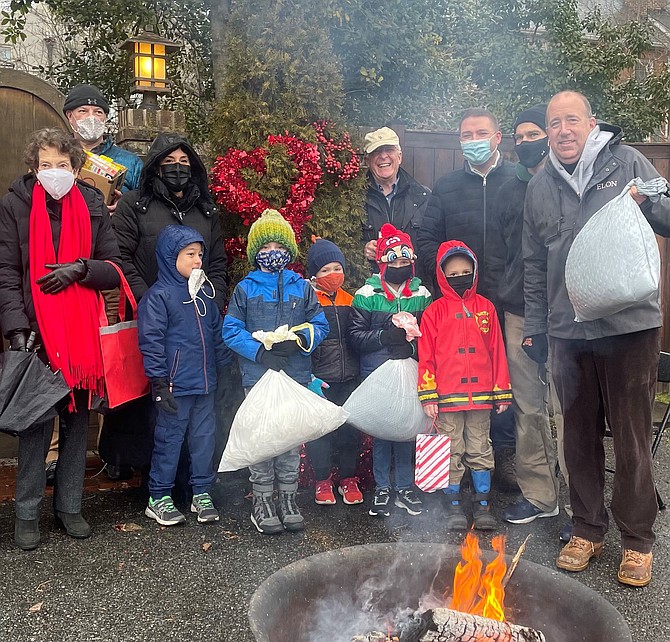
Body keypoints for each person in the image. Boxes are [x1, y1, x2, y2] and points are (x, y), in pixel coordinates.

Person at [523, 90, 670, 587]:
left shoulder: (628, 162)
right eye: (554, 122)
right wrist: (538, 330)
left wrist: (650, 199)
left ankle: (637, 541)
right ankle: (588, 528)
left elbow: (669, 217)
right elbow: (534, 264)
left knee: (631, 437)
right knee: (578, 437)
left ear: (591, 123)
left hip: (630, 327)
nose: (563, 129)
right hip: (568, 331)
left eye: (572, 120)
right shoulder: (540, 186)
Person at [0, 127, 121, 550]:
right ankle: (27, 510)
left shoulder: (91, 204)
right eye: (46, 165)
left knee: (76, 422)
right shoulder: (15, 204)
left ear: (75, 166)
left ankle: (69, 506)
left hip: (81, 335)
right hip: (35, 331)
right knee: (36, 423)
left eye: (63, 165)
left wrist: (80, 269)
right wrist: (16, 328)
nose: (55, 172)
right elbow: (6, 272)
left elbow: (113, 265)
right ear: (34, 168)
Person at [417, 107, 518, 491]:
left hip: (507, 303)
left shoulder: (517, 180)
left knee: (504, 380)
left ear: (497, 137)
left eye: (481, 132)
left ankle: (504, 459)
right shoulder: (446, 187)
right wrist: (447, 282)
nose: (473, 140)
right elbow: (426, 238)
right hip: (458, 303)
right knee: (457, 375)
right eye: (466, 134)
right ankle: (452, 474)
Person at [223, 209, 329, 535]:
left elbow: (319, 324)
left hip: (294, 374)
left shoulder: (303, 287)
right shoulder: (246, 288)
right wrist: (259, 351)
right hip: (258, 376)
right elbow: (230, 330)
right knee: (261, 437)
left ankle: (288, 496)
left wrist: (298, 341)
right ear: (256, 253)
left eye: (278, 246)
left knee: (288, 439)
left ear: (289, 250)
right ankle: (263, 499)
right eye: (266, 247)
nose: (273, 253)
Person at [490, 105, 564, 527]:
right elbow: (500, 253)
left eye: (532, 133)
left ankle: (579, 505)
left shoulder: (566, 183)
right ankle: (539, 495)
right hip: (518, 311)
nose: (525, 142)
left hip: (566, 313)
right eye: (519, 136)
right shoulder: (507, 189)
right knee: (527, 407)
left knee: (567, 408)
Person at [138, 225, 231, 526]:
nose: (197, 261)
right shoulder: (159, 297)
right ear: (169, 256)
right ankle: (159, 496)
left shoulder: (204, 295)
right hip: (175, 386)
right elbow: (151, 341)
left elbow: (216, 336)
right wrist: (159, 382)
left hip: (205, 384)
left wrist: (224, 370)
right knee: (169, 440)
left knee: (204, 439)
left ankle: (201, 491)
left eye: (200, 254)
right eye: (189, 254)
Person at [417, 241, 512, 530]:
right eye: (453, 272)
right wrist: (428, 394)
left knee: (480, 447)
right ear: (442, 275)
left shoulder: (486, 308)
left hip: (482, 396)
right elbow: (427, 357)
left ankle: (482, 504)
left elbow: (497, 349)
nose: (460, 276)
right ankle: (453, 504)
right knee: (451, 449)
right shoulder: (434, 311)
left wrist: (501, 389)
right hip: (447, 398)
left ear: (475, 271)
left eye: (466, 271)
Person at [348, 223, 432, 518]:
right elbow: (355, 337)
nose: (399, 265)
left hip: (410, 372)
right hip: (378, 373)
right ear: (382, 262)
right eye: (393, 260)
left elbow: (431, 336)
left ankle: (405, 486)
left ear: (412, 261)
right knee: (383, 431)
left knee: (408, 428)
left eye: (404, 260)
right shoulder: (367, 294)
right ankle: (383, 487)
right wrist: (385, 337)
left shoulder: (421, 294)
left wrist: (410, 348)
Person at [113, 132, 228, 309]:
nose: (177, 166)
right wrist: (148, 301)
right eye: (168, 161)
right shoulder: (134, 204)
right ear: (156, 167)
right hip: (149, 313)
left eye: (183, 161)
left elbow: (217, 262)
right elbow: (121, 257)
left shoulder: (205, 209)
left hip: (199, 312)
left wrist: (213, 304)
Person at [306, 237, 362, 505]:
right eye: (325, 270)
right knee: (321, 433)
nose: (332, 275)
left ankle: (349, 478)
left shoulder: (351, 300)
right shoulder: (308, 302)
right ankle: (322, 480)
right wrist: (310, 375)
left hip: (350, 377)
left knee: (350, 431)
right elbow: (303, 343)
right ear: (314, 275)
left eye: (337, 268)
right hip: (322, 380)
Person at [362, 127, 431, 285]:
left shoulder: (423, 197)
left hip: (415, 294)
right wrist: (362, 250)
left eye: (389, 150)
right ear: (367, 160)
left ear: (399, 156)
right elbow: (341, 245)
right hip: (372, 297)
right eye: (376, 151)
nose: (383, 156)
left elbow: (431, 246)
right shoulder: (352, 199)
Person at [63, 83, 143, 200]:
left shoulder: (131, 163)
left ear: (105, 117)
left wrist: (123, 207)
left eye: (98, 112)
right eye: (83, 111)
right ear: (70, 116)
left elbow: (146, 204)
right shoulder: (57, 158)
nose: (92, 118)